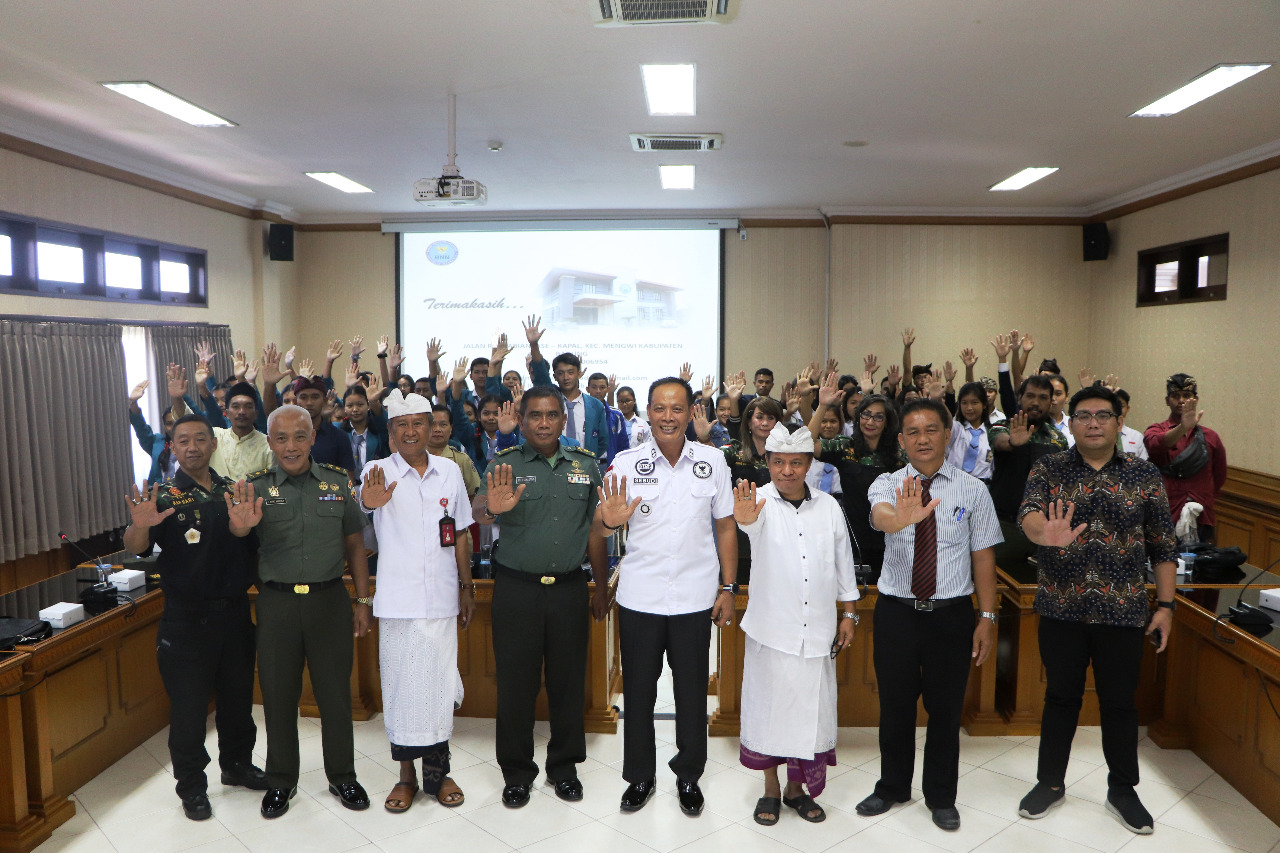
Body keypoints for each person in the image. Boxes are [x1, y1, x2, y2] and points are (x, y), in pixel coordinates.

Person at [1016, 386, 1177, 835]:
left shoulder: (1144, 476)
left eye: (1102, 415)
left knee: (1120, 704)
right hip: (1061, 609)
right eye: (1083, 415)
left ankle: (1123, 789)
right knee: (1060, 699)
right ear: (1070, 422)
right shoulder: (1048, 467)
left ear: (1118, 420)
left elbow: (1164, 545)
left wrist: (1165, 606)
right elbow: (1027, 515)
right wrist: (1043, 533)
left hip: (1123, 611)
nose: (1092, 423)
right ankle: (1050, 784)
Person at [592, 377, 737, 816]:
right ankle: (640, 776)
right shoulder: (625, 461)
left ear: (691, 410)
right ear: (649, 412)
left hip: (695, 599)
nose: (668, 417)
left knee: (692, 692)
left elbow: (726, 526)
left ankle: (688, 775)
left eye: (677, 409)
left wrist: (728, 588)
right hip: (640, 598)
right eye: (659, 408)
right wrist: (607, 521)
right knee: (638, 692)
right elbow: (599, 529)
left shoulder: (712, 462)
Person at [855, 398, 1001, 833]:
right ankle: (893, 787)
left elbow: (984, 558)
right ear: (900, 440)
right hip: (897, 613)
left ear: (947, 434)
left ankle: (941, 795)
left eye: (931, 430)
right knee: (895, 706)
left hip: (951, 616)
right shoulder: (888, 483)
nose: (922, 439)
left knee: (946, 708)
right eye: (913, 432)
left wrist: (987, 618)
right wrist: (899, 518)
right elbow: (880, 518)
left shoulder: (973, 490)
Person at [121, 414, 267, 821]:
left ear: (213, 444)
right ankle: (191, 786)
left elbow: (247, 541)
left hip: (235, 616)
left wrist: (242, 530)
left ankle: (236, 765)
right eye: (183, 440)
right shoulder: (162, 497)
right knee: (188, 711)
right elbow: (136, 547)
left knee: (238, 702)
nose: (192, 447)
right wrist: (139, 526)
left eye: (200, 439)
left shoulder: (232, 492)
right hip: (186, 622)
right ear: (173, 447)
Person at [473, 385, 608, 807]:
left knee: (568, 682)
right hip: (516, 590)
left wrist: (601, 586)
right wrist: (493, 509)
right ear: (523, 419)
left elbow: (596, 532)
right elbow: (478, 512)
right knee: (516, 683)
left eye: (552, 415)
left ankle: (564, 768)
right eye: (535, 416)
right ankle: (516, 771)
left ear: (563, 421)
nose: (545, 423)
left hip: (569, 588)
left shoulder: (586, 466)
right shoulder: (505, 464)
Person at [237, 404, 373, 818]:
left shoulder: (336, 483)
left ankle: (343, 777)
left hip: (329, 601)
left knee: (335, 696)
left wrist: (363, 601)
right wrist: (240, 526)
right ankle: (281, 780)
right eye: (281, 438)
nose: (291, 446)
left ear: (313, 437)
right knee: (278, 697)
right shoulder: (254, 488)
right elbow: (240, 539)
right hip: (276, 603)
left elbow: (355, 545)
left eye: (300, 436)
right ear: (270, 442)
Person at [733, 425, 858, 826]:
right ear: (767, 463)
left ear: (808, 465)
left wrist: (850, 613)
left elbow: (843, 563)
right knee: (769, 712)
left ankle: (795, 790)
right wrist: (744, 518)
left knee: (809, 714)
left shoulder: (829, 506)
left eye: (795, 463)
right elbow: (749, 526)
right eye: (778, 462)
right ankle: (770, 789)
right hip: (772, 630)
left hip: (817, 631)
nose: (786, 470)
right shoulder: (758, 502)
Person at [358, 391, 475, 813]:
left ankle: (439, 774)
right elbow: (363, 507)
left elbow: (460, 532)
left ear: (431, 428)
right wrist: (369, 505)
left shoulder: (449, 470)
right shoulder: (376, 471)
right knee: (402, 691)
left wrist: (467, 587)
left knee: (439, 690)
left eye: (418, 424)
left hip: (443, 598)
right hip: (398, 602)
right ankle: (406, 777)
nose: (410, 432)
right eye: (401, 425)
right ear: (390, 433)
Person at [810, 376, 903, 582]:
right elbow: (805, 444)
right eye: (866, 415)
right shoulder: (845, 447)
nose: (870, 422)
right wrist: (823, 406)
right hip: (853, 538)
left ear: (887, 422)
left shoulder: (899, 455)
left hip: (892, 538)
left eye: (878, 417)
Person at [988, 375, 1068, 574]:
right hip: (1006, 525)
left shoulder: (1058, 439)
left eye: (1043, 398)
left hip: (1045, 528)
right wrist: (1014, 442)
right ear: (1020, 398)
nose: (1035, 402)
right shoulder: (1002, 426)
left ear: (1050, 402)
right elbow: (1000, 442)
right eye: (1030, 396)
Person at [1144, 373, 1227, 543]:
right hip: (1165, 513)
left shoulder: (1211, 437)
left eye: (1187, 396)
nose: (1181, 400)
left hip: (1202, 514)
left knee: (1204, 566)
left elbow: (1219, 476)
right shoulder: (1155, 429)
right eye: (1175, 396)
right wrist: (1183, 427)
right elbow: (1156, 445)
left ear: (1195, 400)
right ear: (1167, 400)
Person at [525, 317, 608, 460]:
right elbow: (540, 373)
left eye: (571, 372)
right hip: (553, 463)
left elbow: (603, 441)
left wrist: (586, 459)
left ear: (579, 374)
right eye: (561, 373)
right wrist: (534, 345)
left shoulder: (595, 405)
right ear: (555, 376)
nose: (566, 377)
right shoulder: (550, 398)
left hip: (584, 466)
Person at [946, 381, 994, 481]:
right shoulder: (957, 428)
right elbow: (945, 419)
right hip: (955, 484)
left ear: (984, 404)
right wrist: (937, 400)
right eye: (964, 403)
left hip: (984, 486)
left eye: (974, 402)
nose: (969, 408)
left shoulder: (992, 433)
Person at [586, 372, 631, 465]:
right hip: (586, 465)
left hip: (609, 465)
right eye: (594, 387)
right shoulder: (581, 412)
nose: (598, 391)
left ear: (608, 389)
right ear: (587, 389)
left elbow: (623, 446)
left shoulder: (616, 415)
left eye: (602, 387)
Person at [1113, 389, 1148, 460]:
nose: (1117, 410)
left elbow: (1143, 464)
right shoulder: (1097, 435)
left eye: (1121, 406)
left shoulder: (1137, 437)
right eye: (1114, 406)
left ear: (1127, 408)